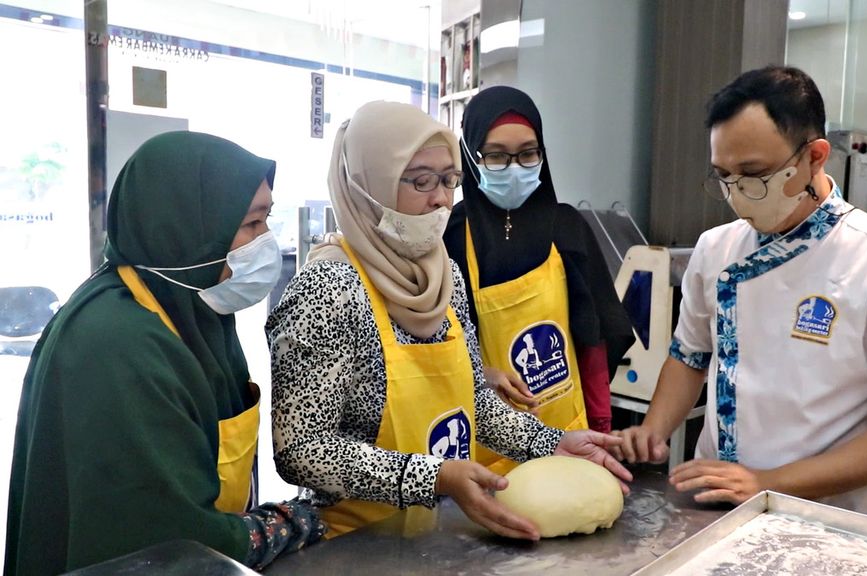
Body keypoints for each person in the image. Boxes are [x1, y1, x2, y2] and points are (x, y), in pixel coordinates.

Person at [267, 101, 631, 541]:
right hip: (356, 543)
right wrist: (433, 477)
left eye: (449, 180)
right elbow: (301, 451)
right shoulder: (329, 290)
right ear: (368, 184)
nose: (441, 198)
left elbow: (474, 402)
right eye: (421, 181)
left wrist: (550, 442)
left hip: (440, 533)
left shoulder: (445, 277)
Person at [612, 66, 867, 518]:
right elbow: (690, 355)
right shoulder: (716, 248)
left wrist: (767, 484)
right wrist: (654, 429)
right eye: (724, 177)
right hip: (711, 498)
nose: (737, 196)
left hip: (827, 516)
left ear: (814, 156)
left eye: (754, 175)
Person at [4, 132, 324, 575]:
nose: (267, 242)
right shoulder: (117, 346)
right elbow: (169, 538)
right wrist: (283, 525)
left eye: (267, 221)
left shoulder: (197, 308)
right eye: (251, 225)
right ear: (187, 231)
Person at [443, 86, 635, 475]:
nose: (515, 167)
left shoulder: (567, 227)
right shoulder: (451, 233)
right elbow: (437, 348)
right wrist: (481, 374)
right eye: (496, 155)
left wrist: (601, 429)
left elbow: (594, 340)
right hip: (481, 446)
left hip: (569, 436)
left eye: (528, 153)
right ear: (470, 155)